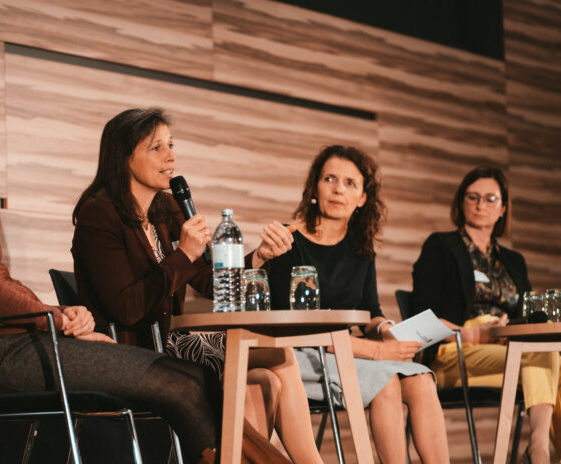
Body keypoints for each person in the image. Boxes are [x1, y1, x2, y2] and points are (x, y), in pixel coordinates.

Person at [0, 79, 238, 464]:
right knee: (181, 382)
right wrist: (54, 318)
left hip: (21, 343)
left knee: (196, 377)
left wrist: (57, 314)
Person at [71, 107, 321, 463]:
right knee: (268, 361)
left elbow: (206, 279)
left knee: (265, 375)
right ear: (124, 156)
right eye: (156, 148)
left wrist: (259, 258)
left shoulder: (166, 208)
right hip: (133, 347)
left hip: (172, 338)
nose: (171, 156)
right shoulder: (100, 213)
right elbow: (126, 308)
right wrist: (184, 254)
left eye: (171, 145)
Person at [265, 145, 450, 463]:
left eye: (350, 183)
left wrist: (387, 329)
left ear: (363, 198)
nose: (338, 189)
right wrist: (377, 351)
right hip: (300, 354)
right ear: (315, 188)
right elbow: (296, 327)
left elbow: (369, 311)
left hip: (346, 351)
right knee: (387, 381)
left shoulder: (361, 248)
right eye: (330, 179)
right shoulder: (288, 240)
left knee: (421, 379)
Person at [412, 166, 560, 463]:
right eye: (473, 197)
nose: (481, 205)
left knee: (546, 357)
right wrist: (473, 332)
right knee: (546, 360)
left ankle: (540, 448)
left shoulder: (514, 261)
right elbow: (421, 317)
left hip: (507, 349)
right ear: (461, 202)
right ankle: (540, 450)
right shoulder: (440, 247)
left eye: (490, 198)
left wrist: (509, 329)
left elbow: (528, 318)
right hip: (454, 349)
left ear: (503, 208)